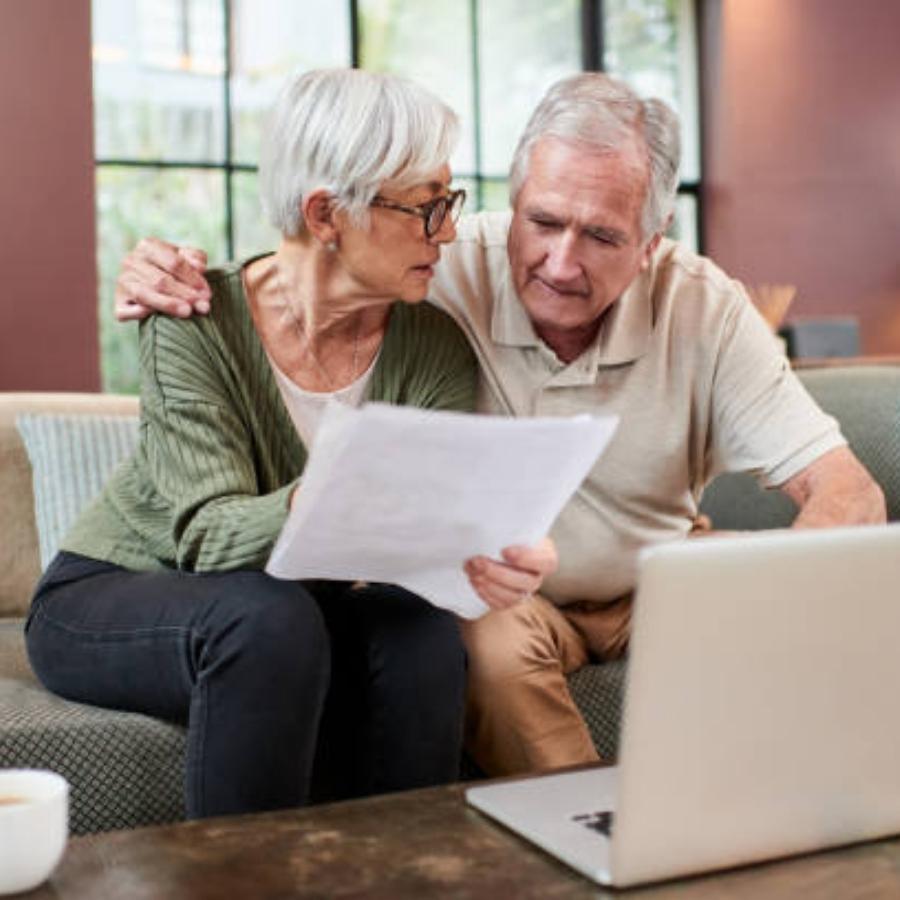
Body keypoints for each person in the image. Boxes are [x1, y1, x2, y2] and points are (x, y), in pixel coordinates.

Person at [112, 72, 886, 780]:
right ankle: (595, 842)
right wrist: (169, 273)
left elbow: (847, 491)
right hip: (511, 599)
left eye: (603, 237)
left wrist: (787, 602)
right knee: (474, 645)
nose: (559, 262)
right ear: (512, 203)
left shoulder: (703, 306)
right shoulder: (435, 264)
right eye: (542, 221)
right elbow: (319, 258)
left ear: (651, 244)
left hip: (664, 572)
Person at [25, 67, 557, 821]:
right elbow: (207, 537)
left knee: (423, 637)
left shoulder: (433, 342)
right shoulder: (193, 319)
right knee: (266, 620)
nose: (447, 230)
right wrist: (336, 495)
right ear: (326, 213)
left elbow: (422, 534)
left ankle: (408, 876)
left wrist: (487, 555)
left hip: (298, 604)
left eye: (449, 203)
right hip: (119, 589)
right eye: (426, 208)